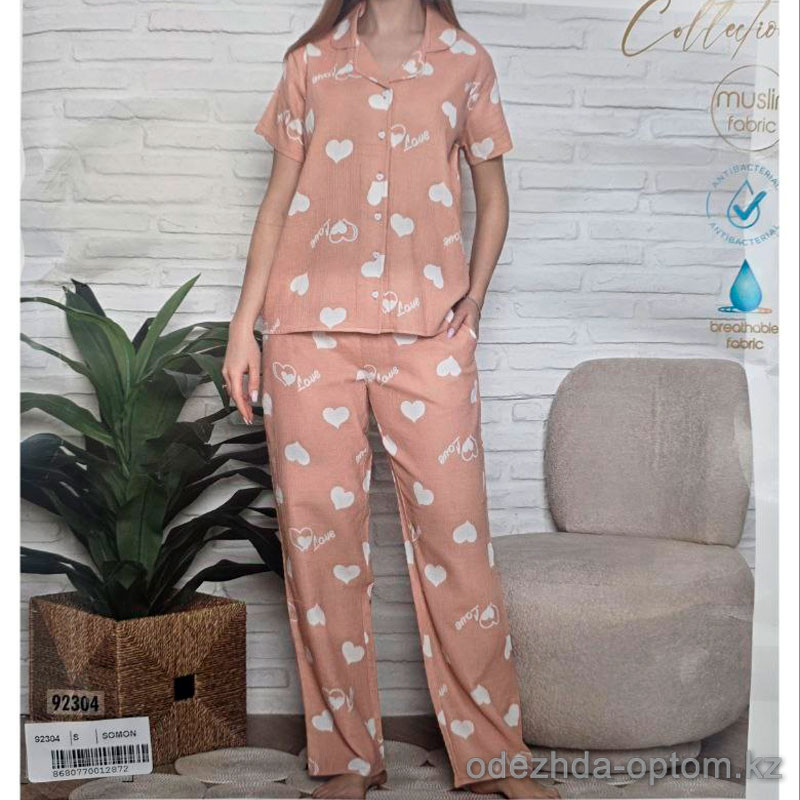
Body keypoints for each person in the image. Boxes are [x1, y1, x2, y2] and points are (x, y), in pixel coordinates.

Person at [223, 1, 558, 797]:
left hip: (428, 335)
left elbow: (493, 197)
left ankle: (494, 757)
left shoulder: (465, 61)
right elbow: (277, 202)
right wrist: (244, 328)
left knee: (457, 545)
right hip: (307, 333)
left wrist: (473, 301)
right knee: (320, 548)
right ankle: (348, 758)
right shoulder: (310, 62)